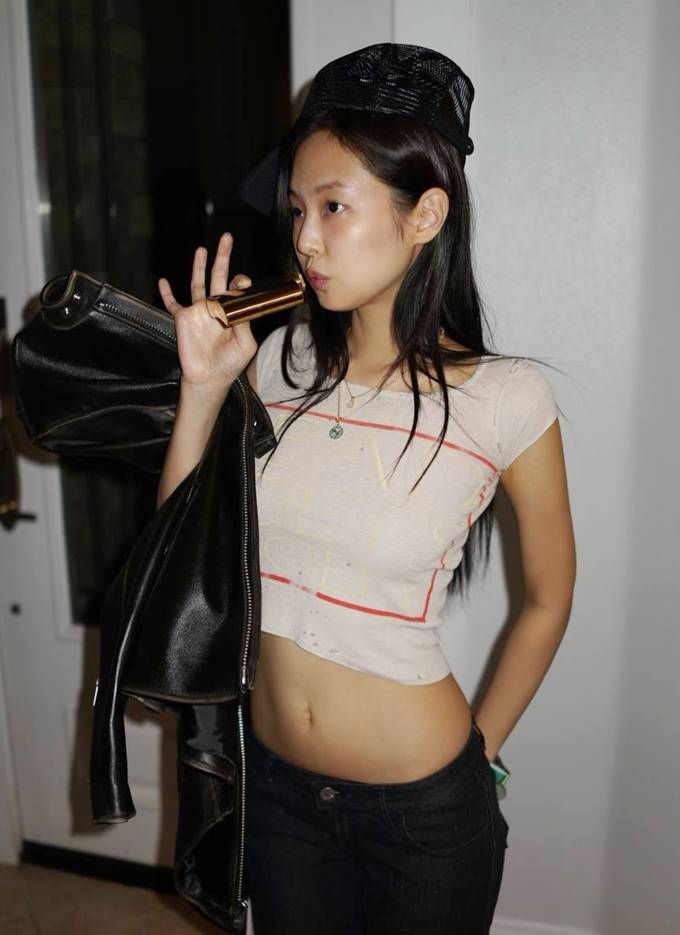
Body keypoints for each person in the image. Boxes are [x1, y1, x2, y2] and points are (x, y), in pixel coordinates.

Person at [156, 42, 576, 935]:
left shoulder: (506, 397)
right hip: (274, 789)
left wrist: (484, 752)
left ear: (426, 213)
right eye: (297, 210)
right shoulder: (275, 361)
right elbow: (180, 562)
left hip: (423, 814)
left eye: (333, 206)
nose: (304, 237)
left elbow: (549, 595)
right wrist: (202, 389)